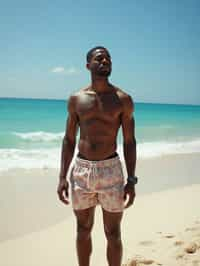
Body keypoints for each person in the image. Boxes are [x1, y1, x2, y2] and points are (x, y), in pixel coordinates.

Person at [57, 46, 137, 266]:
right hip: (81, 171)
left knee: (113, 233)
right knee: (83, 230)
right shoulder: (76, 99)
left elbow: (129, 141)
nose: (105, 61)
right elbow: (69, 139)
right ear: (88, 65)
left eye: (108, 58)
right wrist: (62, 176)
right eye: (99, 58)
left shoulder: (123, 99)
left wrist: (131, 179)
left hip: (111, 170)